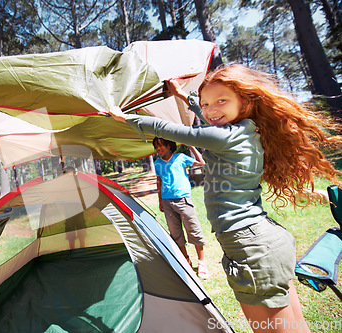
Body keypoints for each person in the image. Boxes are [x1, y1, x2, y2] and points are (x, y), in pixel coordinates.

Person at [108, 64, 342, 333]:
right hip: (262, 241)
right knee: (294, 328)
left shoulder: (225, 136)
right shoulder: (244, 130)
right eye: (206, 103)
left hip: (251, 246)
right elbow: (209, 119)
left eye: (222, 100)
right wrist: (184, 97)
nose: (211, 109)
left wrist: (125, 117)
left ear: (245, 102)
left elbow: (172, 130)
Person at [153, 137, 209, 279]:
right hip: (167, 202)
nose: (158, 149)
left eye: (161, 146)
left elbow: (201, 163)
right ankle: (185, 260)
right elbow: (158, 181)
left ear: (169, 146)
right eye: (156, 147)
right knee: (175, 232)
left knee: (193, 228)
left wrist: (191, 146)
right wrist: (160, 200)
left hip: (183, 199)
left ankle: (202, 262)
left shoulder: (180, 158)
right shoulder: (157, 163)